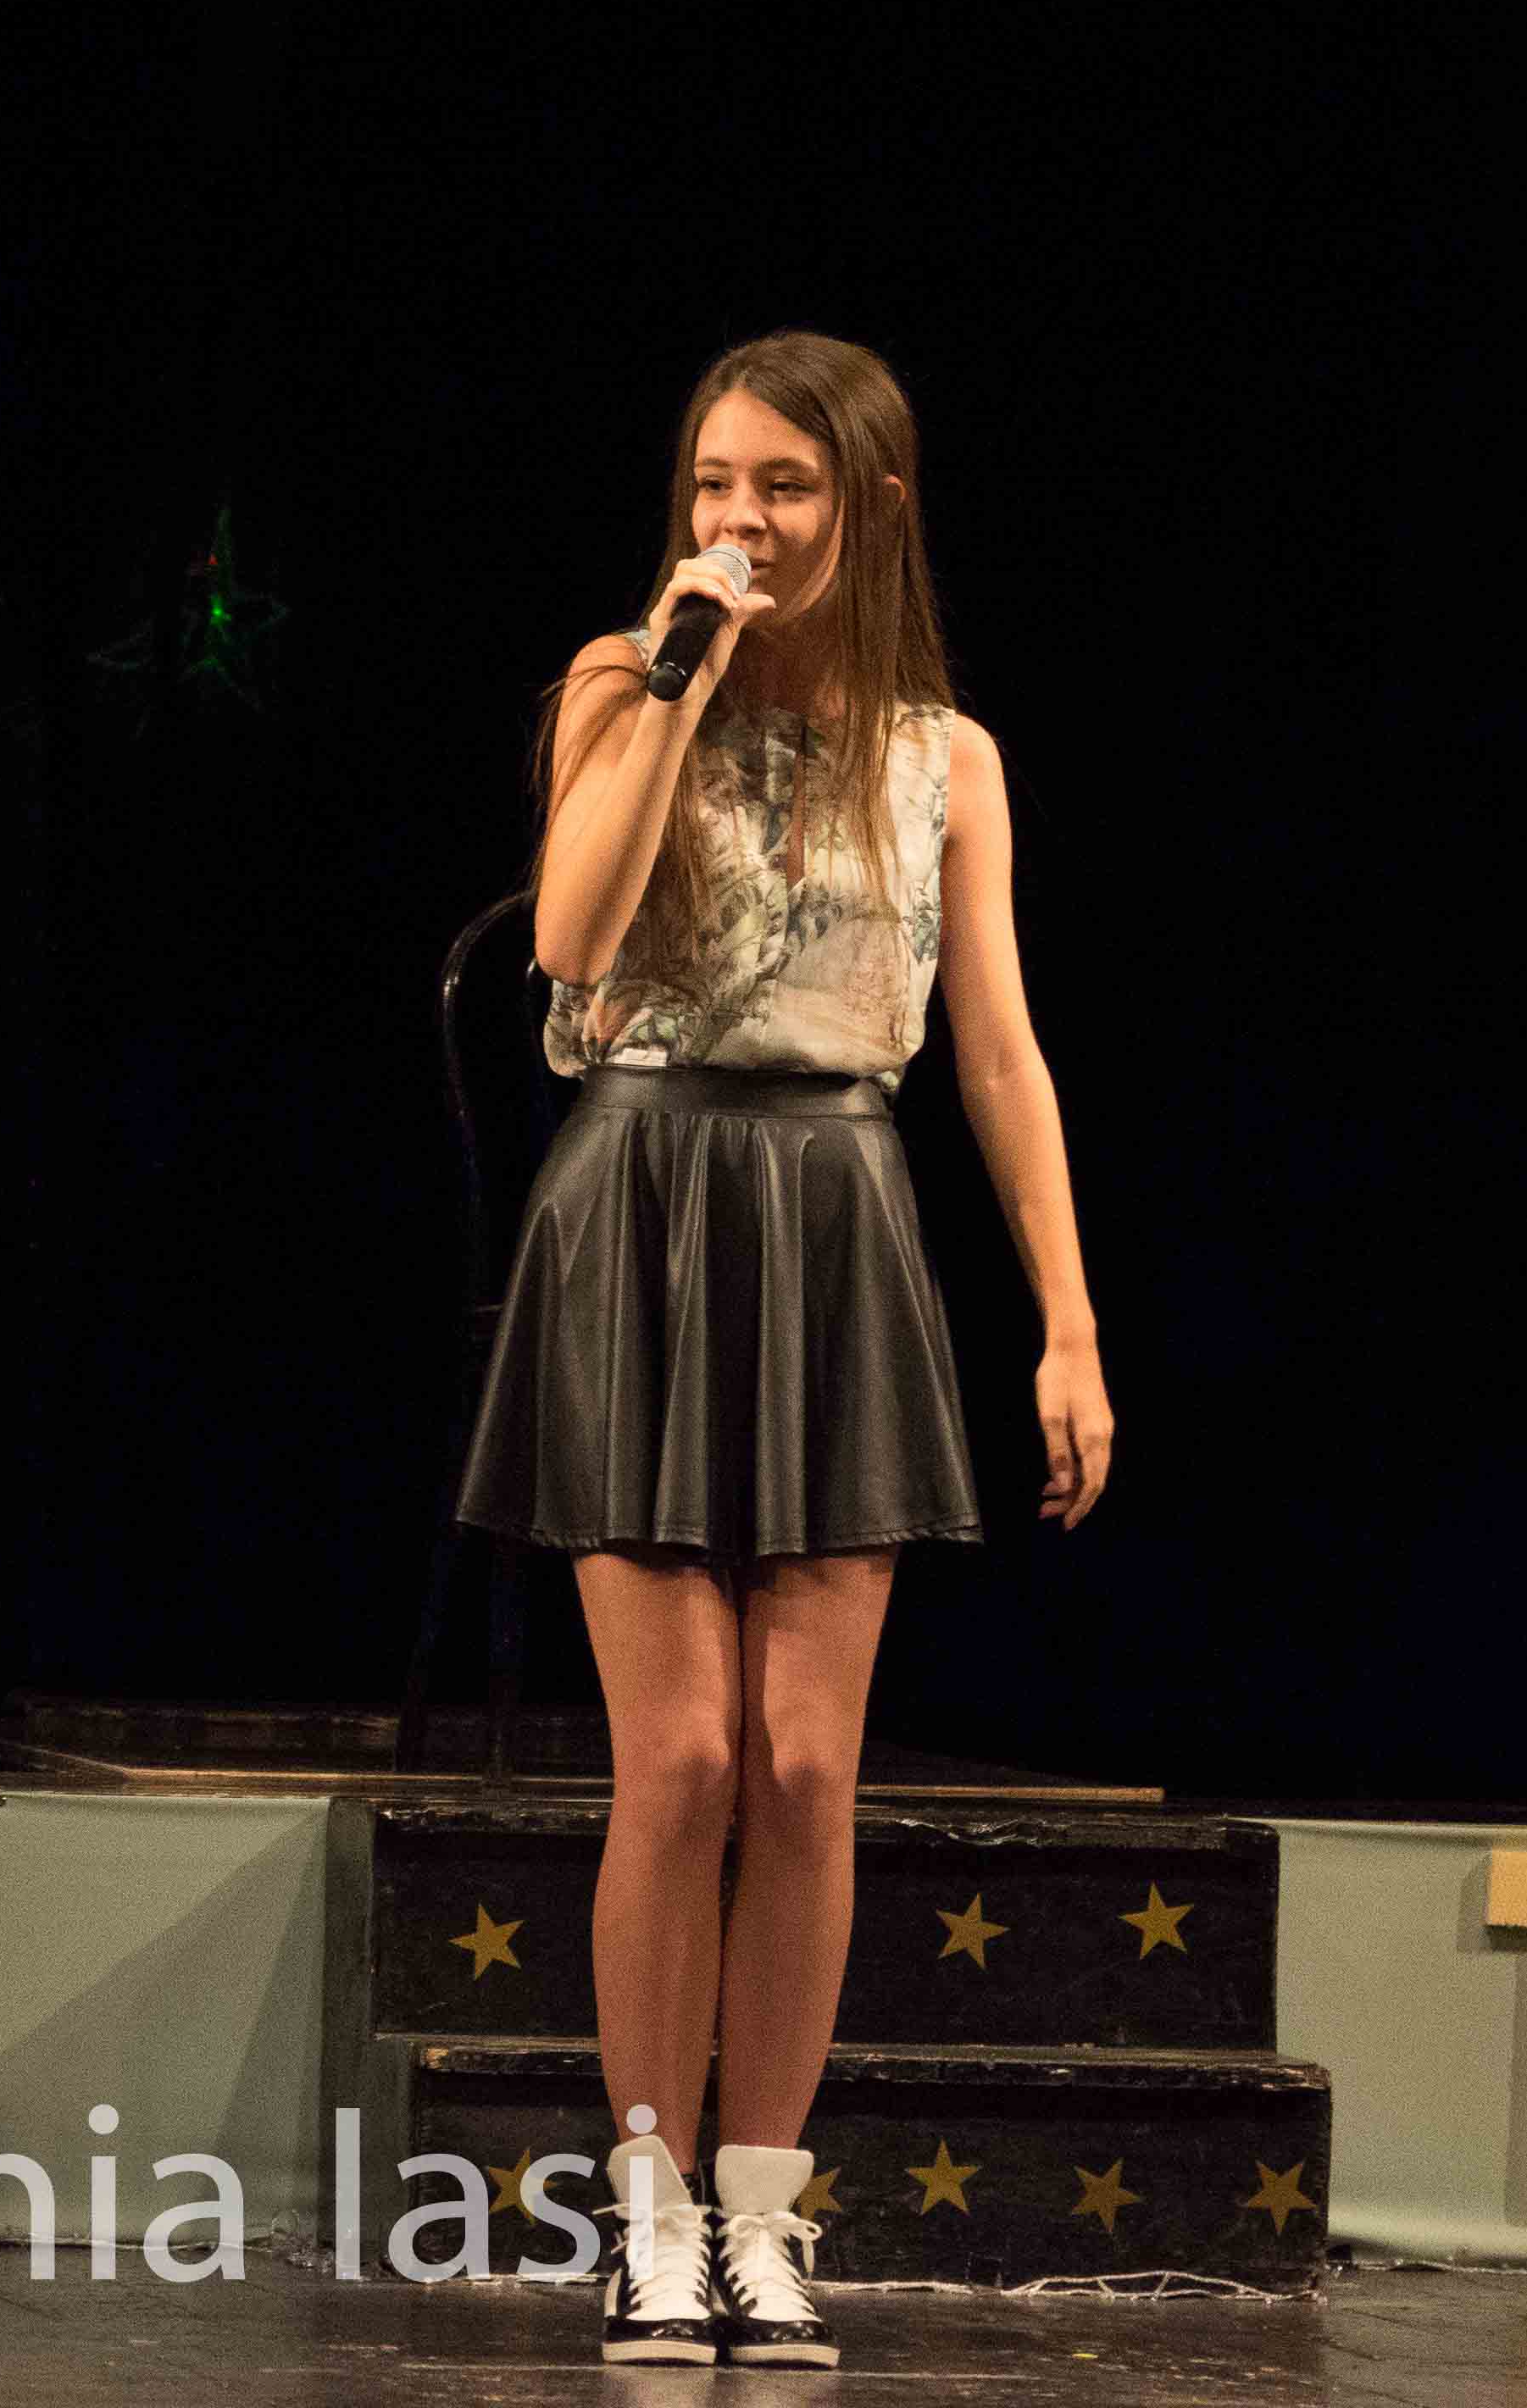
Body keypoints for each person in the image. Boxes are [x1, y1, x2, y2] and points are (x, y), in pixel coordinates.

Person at [453, 329, 1114, 2371]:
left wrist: (1070, 1318)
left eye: (786, 486)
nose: (741, 517)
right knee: (682, 1755)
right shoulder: (619, 679)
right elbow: (570, 940)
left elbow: (995, 1050)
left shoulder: (944, 755)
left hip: (838, 1211)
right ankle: (649, 2212)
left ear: (871, 504)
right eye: (715, 482)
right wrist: (677, 676)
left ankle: (759, 2213)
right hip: (643, 1199)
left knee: (811, 1762)